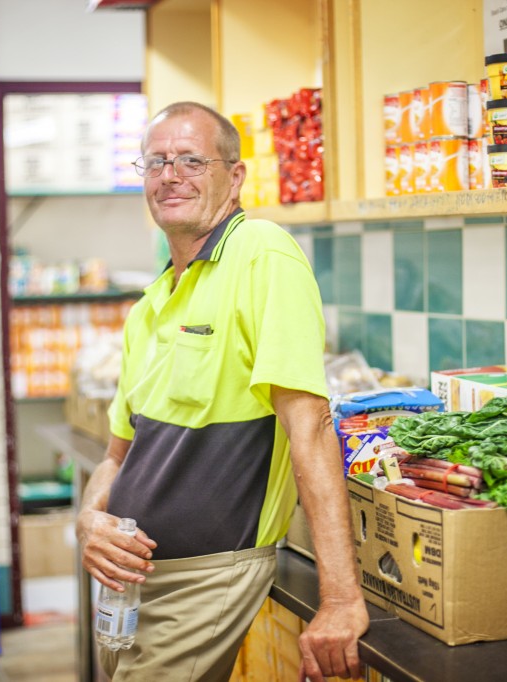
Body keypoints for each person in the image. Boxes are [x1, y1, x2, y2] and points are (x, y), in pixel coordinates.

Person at [75, 101, 369, 682]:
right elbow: (117, 455)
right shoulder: (149, 307)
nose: (170, 175)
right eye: (156, 162)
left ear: (234, 177)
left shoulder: (260, 252)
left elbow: (309, 425)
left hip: (205, 580)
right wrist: (89, 519)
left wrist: (340, 599)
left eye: (191, 160)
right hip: (130, 587)